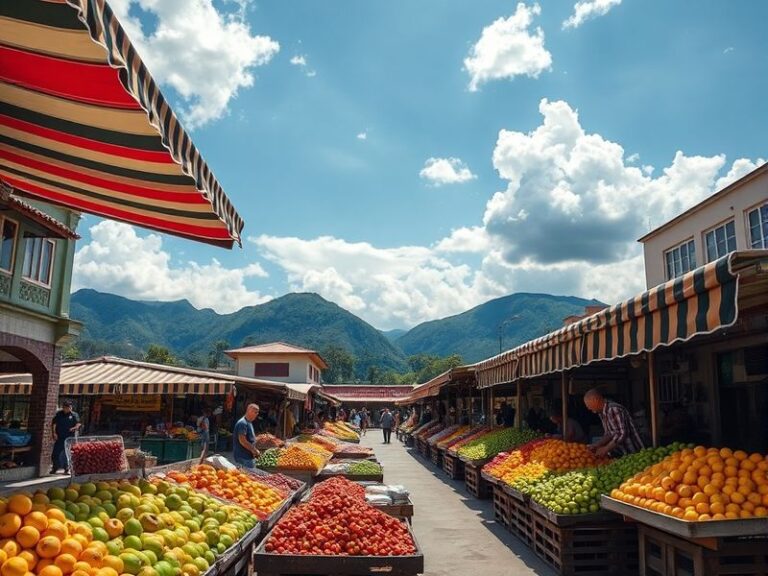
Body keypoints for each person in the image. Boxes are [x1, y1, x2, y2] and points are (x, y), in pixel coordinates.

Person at [584, 389, 644, 456]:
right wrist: (597, 445)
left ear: (595, 400)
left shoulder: (613, 409)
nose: (588, 408)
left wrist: (605, 449)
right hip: (623, 453)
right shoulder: (602, 412)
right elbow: (609, 433)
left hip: (634, 451)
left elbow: (621, 434)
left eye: (588, 405)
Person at [51, 400, 81, 474]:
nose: (68, 408)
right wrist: (54, 433)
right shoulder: (59, 414)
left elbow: (78, 424)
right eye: (66, 407)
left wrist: (74, 428)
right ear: (63, 407)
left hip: (69, 438)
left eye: (70, 407)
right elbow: (54, 424)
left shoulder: (74, 415)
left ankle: (67, 468)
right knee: (55, 453)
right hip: (60, 437)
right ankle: (55, 468)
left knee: (66, 453)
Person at [233, 404, 261, 468]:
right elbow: (242, 440)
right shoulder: (242, 423)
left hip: (248, 456)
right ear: (249, 411)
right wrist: (254, 450)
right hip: (243, 457)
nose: (257, 414)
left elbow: (249, 437)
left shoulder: (249, 422)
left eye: (257, 412)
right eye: (255, 412)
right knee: (246, 476)